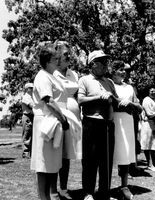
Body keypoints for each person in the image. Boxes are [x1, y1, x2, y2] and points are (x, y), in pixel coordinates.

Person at [30, 42, 81, 200]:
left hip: (54, 121)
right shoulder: (42, 76)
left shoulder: (51, 76)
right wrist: (63, 118)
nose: (58, 60)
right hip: (46, 121)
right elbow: (49, 101)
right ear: (48, 60)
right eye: (55, 58)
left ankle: (52, 195)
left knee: (52, 161)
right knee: (43, 162)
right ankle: (43, 197)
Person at [78, 50, 118, 200]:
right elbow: (80, 100)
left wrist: (112, 97)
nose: (106, 65)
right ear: (93, 64)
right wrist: (98, 97)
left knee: (106, 160)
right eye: (102, 62)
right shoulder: (84, 80)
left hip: (107, 124)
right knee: (90, 160)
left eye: (106, 62)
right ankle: (88, 192)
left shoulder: (109, 82)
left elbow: (116, 101)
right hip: (91, 123)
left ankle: (104, 192)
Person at [53, 41, 82, 200]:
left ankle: (64, 188)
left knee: (67, 155)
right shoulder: (51, 73)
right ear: (56, 55)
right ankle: (52, 189)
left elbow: (77, 95)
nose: (69, 57)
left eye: (70, 54)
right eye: (65, 54)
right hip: (57, 117)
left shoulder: (74, 74)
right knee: (55, 154)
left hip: (73, 118)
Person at [110, 60, 142, 200]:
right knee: (109, 156)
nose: (123, 72)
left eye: (124, 69)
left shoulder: (129, 87)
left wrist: (130, 103)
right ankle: (105, 188)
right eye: (120, 69)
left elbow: (140, 107)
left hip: (127, 122)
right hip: (112, 121)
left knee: (125, 155)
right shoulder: (108, 84)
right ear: (113, 71)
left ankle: (124, 186)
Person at [140, 86, 155, 172]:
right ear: (148, 92)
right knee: (148, 145)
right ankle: (149, 164)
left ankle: (154, 163)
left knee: (153, 145)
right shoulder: (146, 100)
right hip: (148, 124)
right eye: (152, 91)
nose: (154, 92)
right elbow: (150, 114)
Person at [21, 82, 34, 159]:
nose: (32, 89)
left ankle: (31, 153)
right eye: (31, 88)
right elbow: (32, 106)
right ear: (27, 89)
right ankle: (25, 153)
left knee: (32, 135)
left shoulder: (32, 97)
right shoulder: (26, 97)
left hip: (32, 116)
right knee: (27, 135)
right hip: (27, 117)